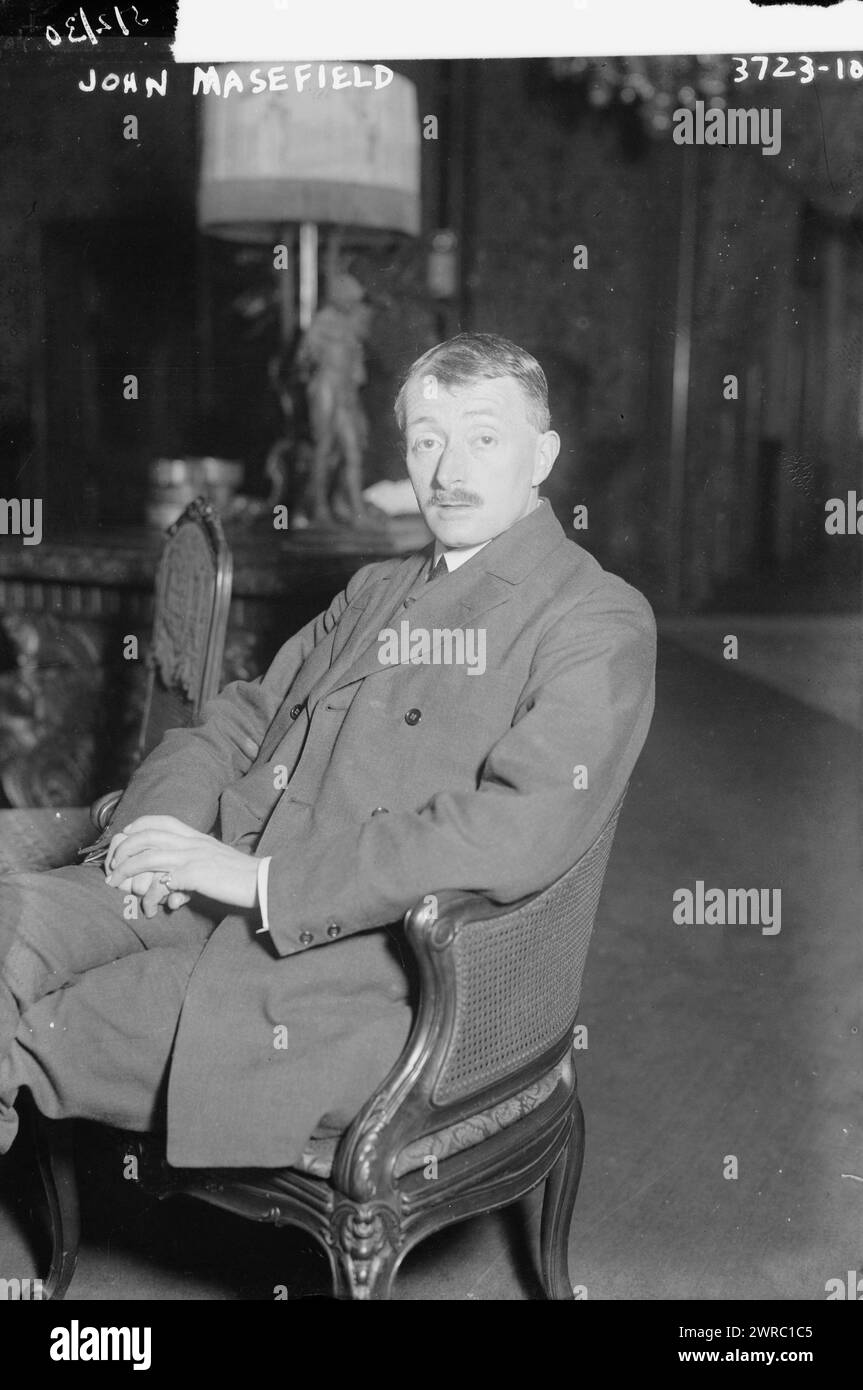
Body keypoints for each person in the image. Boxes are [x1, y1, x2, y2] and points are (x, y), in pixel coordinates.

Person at [0, 333, 656, 1169]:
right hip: (201, 888)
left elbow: (512, 832)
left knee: (51, 1025)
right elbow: (237, 721)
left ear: (543, 456)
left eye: (483, 438)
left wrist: (261, 883)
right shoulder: (377, 589)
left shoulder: (594, 616)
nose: (449, 470)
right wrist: (156, 836)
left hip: (365, 971)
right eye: (426, 440)